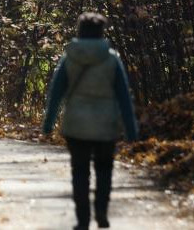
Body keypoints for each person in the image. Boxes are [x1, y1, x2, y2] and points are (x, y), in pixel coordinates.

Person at [42, 12, 138, 230]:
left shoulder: (70, 58)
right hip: (106, 124)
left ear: (79, 31)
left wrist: (48, 124)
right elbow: (124, 96)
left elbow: (55, 94)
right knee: (104, 169)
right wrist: (131, 129)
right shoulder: (112, 59)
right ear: (101, 32)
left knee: (80, 171)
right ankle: (102, 212)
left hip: (76, 124)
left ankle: (83, 220)